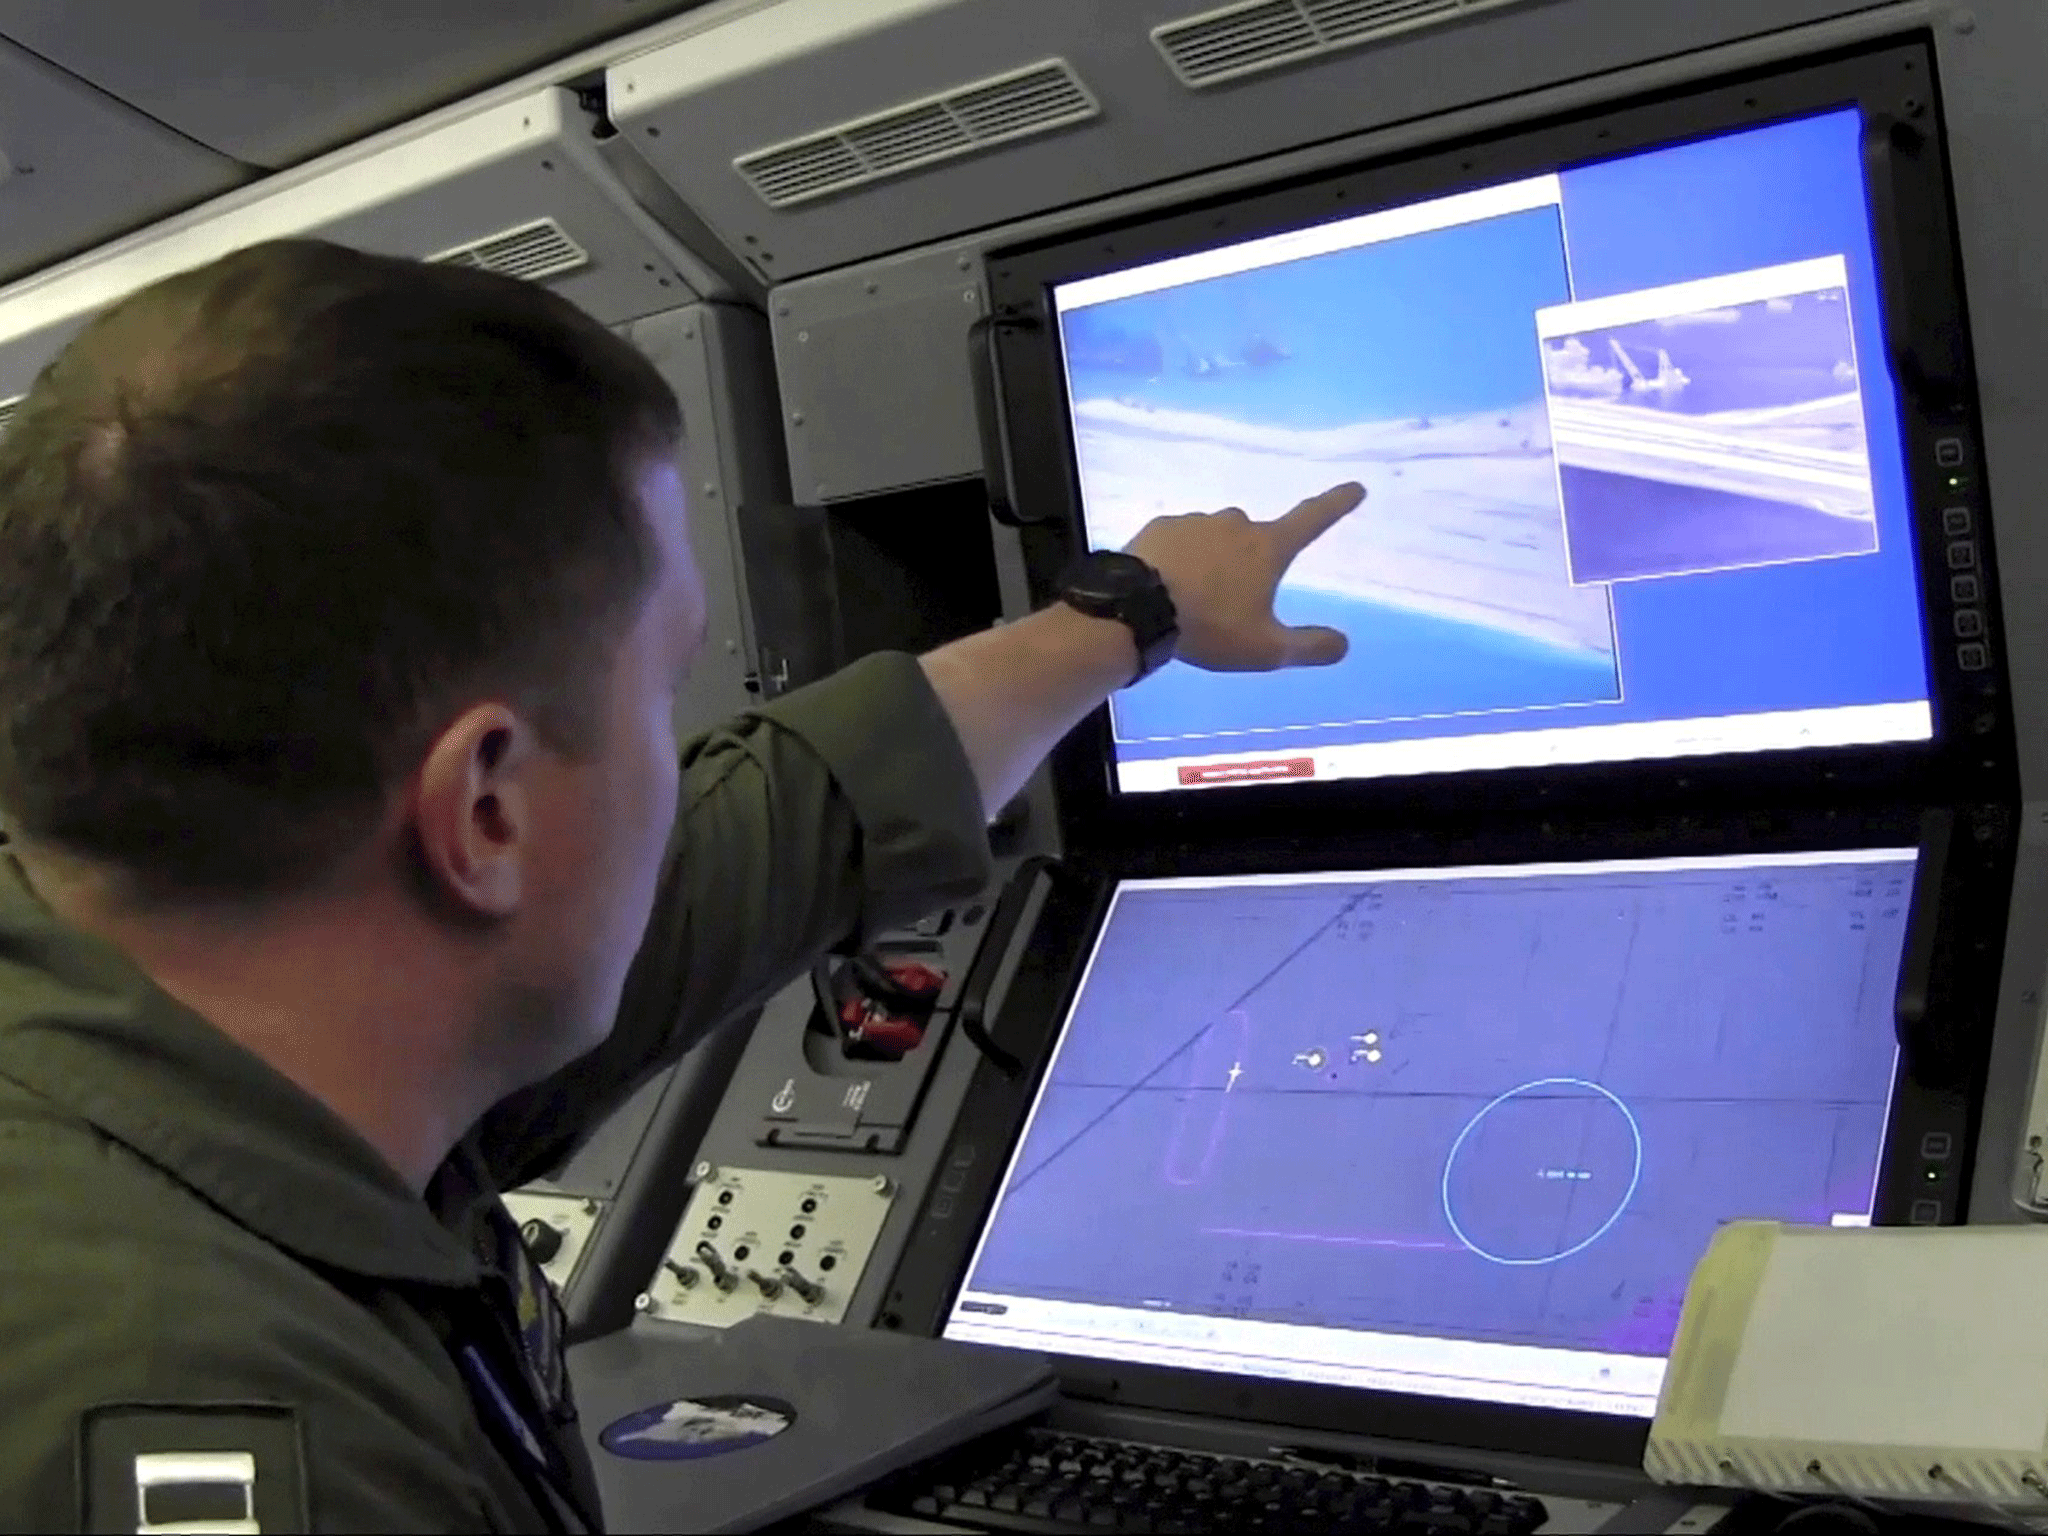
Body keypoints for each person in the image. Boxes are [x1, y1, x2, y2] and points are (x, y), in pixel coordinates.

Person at [0, 238, 1365, 1533]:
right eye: (662, 691)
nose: (681, 759)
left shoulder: (218, 999)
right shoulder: (235, 1424)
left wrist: (1129, 615)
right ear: (484, 810)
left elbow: (777, 826)